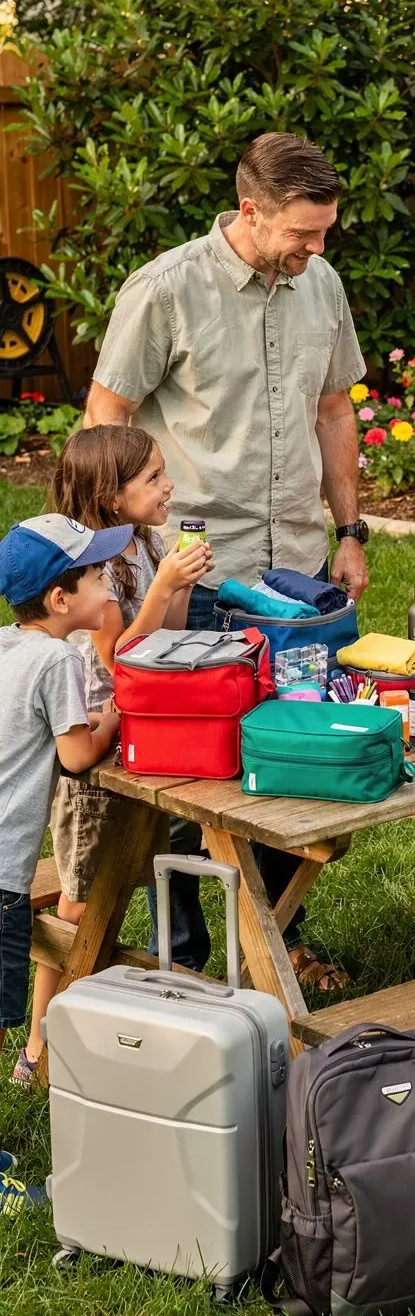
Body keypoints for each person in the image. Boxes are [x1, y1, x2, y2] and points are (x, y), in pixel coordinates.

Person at [83, 131, 368, 990]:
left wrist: (350, 532)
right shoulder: (166, 290)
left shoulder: (320, 283)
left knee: (290, 758)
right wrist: (116, 556)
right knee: (185, 778)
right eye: (302, 233)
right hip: (196, 580)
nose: (317, 251)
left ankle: (284, 940)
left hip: (300, 577)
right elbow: (106, 419)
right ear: (251, 211)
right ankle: (189, 962)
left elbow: (334, 412)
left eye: (325, 233)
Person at [12, 428, 213, 1086]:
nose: (167, 487)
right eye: (152, 478)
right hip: (95, 763)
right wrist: (158, 596)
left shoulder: (140, 546)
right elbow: (120, 656)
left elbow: (163, 638)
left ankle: (123, 1014)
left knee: (108, 892)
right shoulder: (86, 593)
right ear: (110, 494)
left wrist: (178, 585)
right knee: (79, 905)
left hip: (130, 743)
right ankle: (41, 1048)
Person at [0, 514, 127, 1104]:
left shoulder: (6, 647)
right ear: (60, 598)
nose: (109, 586)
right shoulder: (58, 661)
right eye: (99, 576)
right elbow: (76, 757)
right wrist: (113, 719)